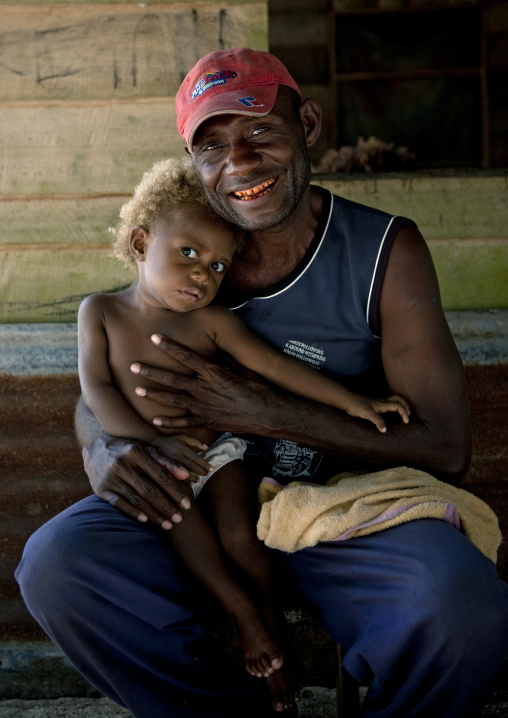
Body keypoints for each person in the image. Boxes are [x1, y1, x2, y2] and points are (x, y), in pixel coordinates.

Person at [16, 47, 508, 718]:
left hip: (338, 511)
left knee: (460, 602)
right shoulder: (181, 248)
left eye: (260, 131)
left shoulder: (383, 251)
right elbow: (105, 375)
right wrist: (105, 448)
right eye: (212, 145)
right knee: (58, 565)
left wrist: (266, 413)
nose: (239, 162)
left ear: (307, 124)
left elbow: (446, 448)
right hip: (196, 500)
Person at [77, 155, 410, 710]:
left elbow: (277, 370)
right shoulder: (101, 313)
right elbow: (98, 392)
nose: (202, 276)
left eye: (217, 267)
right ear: (140, 245)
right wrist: (150, 443)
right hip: (155, 461)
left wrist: (355, 400)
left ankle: (271, 626)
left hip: (219, 453)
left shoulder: (212, 321)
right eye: (189, 254)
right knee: (189, 536)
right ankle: (245, 617)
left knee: (238, 534)